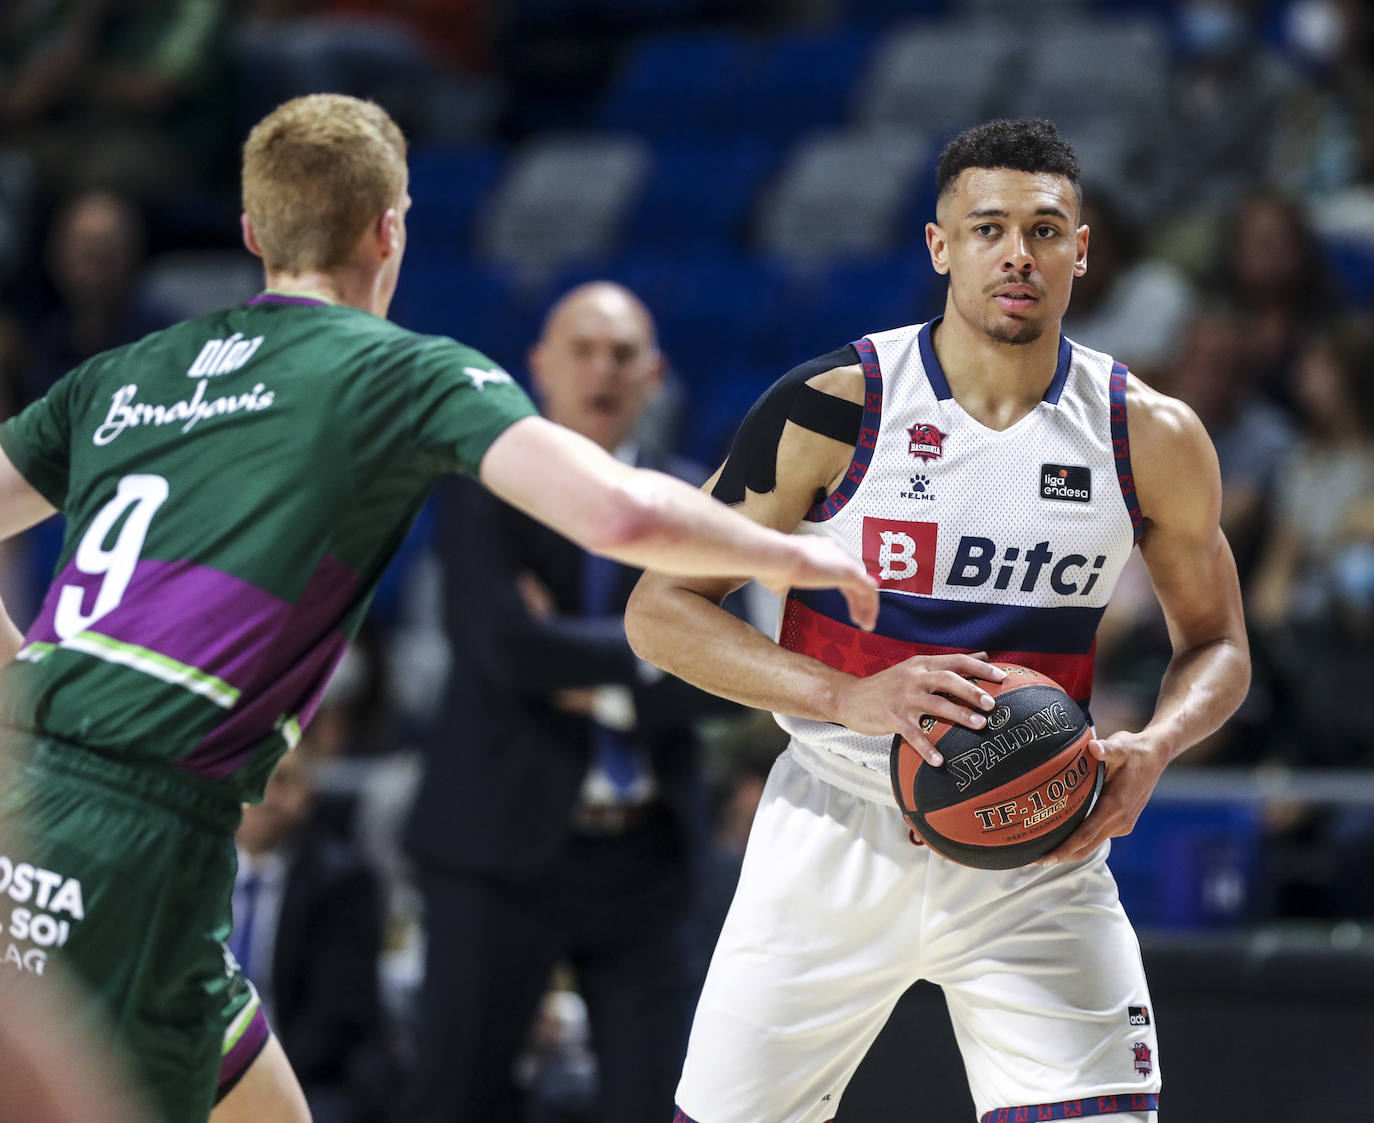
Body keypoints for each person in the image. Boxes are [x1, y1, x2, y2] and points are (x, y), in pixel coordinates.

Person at [0, 93, 877, 1123]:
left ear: (251, 232)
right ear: (390, 229)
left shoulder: (125, 372)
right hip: (131, 833)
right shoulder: (399, 372)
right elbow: (617, 510)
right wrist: (787, 550)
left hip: (94, 814)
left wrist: (23, 681)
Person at [626, 118, 1251, 1123]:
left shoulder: (1151, 435)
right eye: (989, 227)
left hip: (1038, 837)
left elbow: (1218, 644)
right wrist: (847, 695)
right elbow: (659, 610)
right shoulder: (834, 406)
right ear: (940, 246)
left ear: (1082, 252)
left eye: (1046, 230)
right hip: (836, 822)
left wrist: (1160, 742)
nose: (1018, 254)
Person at [401, 281, 738, 1123]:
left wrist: (588, 677)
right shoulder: (488, 486)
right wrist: (657, 653)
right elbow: (506, 648)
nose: (602, 370)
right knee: (457, 1101)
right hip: (496, 854)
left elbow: (725, 678)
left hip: (648, 862)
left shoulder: (697, 503)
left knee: (660, 1105)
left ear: (654, 374)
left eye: (623, 354)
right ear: (539, 367)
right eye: (582, 351)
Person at [232, 744, 398, 1123]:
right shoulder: (188, 873)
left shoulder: (344, 882)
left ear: (310, 794)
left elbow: (336, 1015)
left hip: (300, 1074)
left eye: (284, 781)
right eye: (253, 778)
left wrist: (255, 1078)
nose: (265, 796)